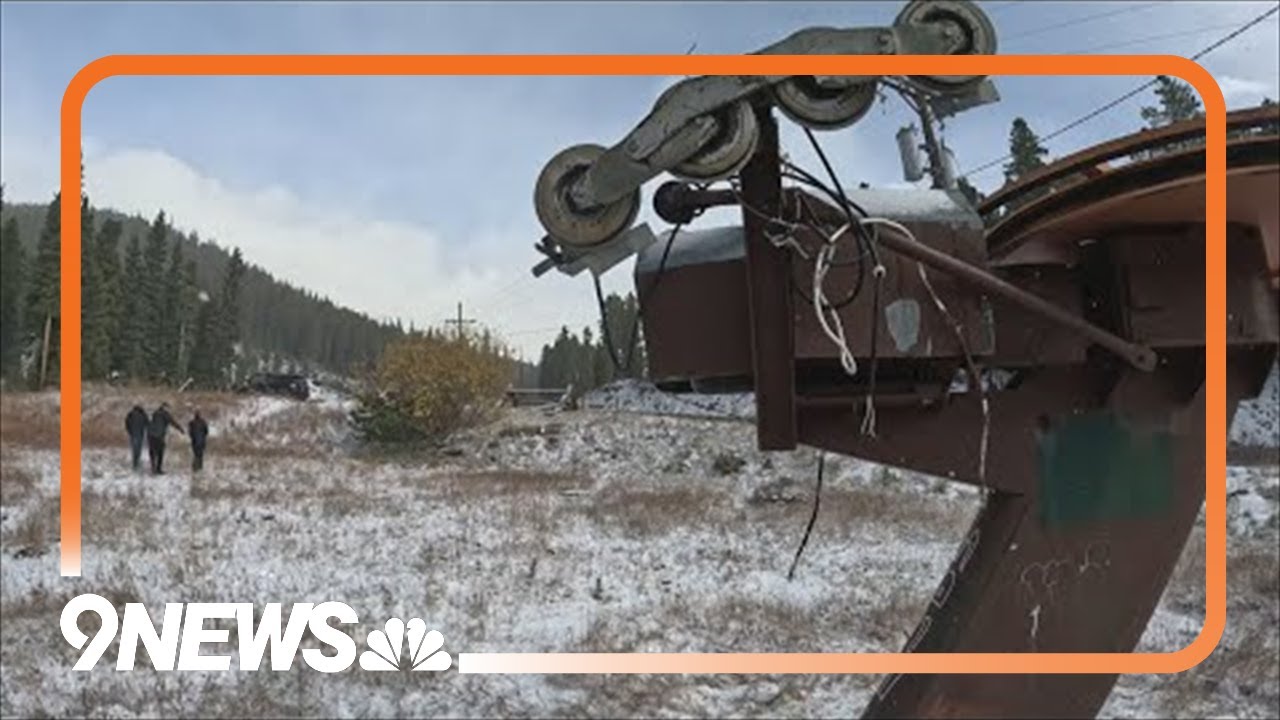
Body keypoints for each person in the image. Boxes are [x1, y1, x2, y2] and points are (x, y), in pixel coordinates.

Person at [147, 402, 184, 475]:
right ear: (165, 408)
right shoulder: (165, 414)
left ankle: (153, 467)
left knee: (152, 452)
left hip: (150, 435)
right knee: (160, 452)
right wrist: (180, 429)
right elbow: (173, 422)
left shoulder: (155, 413)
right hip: (159, 435)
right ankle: (158, 469)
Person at [125, 405, 148, 471]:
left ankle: (135, 463)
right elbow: (147, 423)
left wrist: (129, 431)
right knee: (138, 449)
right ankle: (137, 462)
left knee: (134, 448)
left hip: (133, 434)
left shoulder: (130, 414)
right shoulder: (143, 414)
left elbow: (127, 423)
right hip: (140, 434)